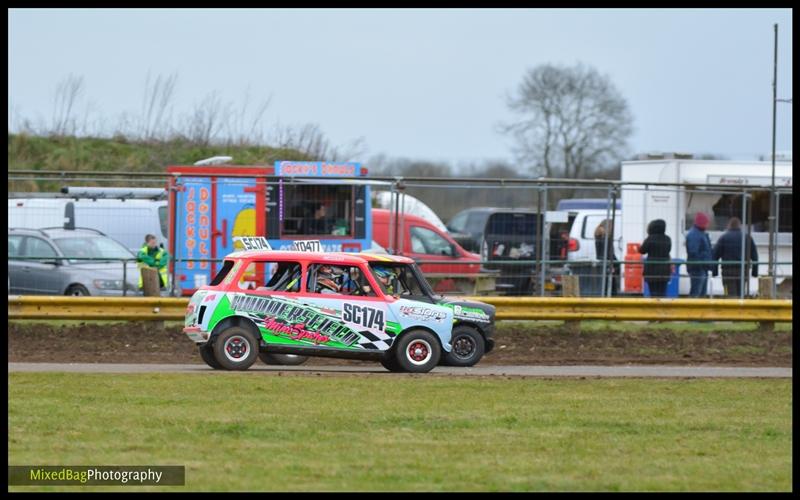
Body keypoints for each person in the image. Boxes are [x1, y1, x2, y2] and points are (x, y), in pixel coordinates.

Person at [712, 217, 758, 298]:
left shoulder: (723, 237)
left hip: (727, 272)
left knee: (728, 294)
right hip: (743, 271)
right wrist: (755, 272)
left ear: (729, 225)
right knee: (741, 293)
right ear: (739, 226)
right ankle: (740, 309)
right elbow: (755, 256)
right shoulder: (747, 238)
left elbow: (715, 255)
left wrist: (714, 272)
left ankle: (730, 308)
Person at [685, 212, 717, 298]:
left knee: (699, 293)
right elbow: (693, 252)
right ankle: (692, 310)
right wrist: (705, 262)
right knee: (697, 293)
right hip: (698, 268)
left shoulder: (698, 234)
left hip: (701, 267)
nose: (707, 225)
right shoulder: (696, 234)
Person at [638, 219, 671, 297]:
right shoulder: (667, 239)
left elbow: (642, 251)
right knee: (662, 293)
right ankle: (662, 308)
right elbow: (668, 250)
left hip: (651, 270)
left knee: (653, 293)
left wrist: (639, 247)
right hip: (664, 270)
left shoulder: (650, 239)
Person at [594, 219, 619, 296]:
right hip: (609, 264)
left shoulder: (598, 236)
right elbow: (610, 253)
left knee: (603, 287)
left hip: (601, 264)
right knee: (612, 289)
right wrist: (616, 263)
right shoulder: (607, 238)